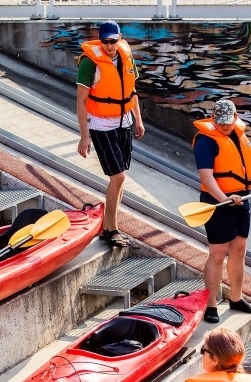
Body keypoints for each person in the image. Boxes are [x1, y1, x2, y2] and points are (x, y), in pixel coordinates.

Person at [193, 99, 251, 323]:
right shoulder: (205, 141)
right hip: (217, 202)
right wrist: (224, 199)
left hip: (242, 199)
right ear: (213, 119)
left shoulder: (239, 134)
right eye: (221, 122)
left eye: (228, 121)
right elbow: (206, 177)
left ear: (235, 118)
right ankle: (210, 305)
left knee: (239, 249)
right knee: (217, 254)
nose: (225, 126)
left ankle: (236, 298)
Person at [76, 19, 145, 247]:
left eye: (113, 41)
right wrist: (84, 135)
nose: (109, 46)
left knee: (120, 176)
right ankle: (111, 229)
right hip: (100, 124)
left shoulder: (126, 56)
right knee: (118, 177)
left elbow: (132, 89)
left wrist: (138, 119)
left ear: (119, 39)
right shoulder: (89, 63)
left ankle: (108, 225)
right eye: (105, 41)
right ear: (100, 40)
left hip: (124, 121)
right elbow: (81, 101)